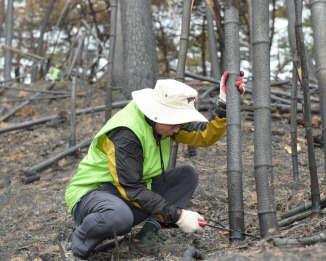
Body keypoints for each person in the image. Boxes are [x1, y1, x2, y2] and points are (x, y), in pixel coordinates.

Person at [64, 71, 245, 260]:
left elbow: (204, 135)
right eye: (175, 125)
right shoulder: (126, 133)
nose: (177, 131)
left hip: (128, 191)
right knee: (118, 217)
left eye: (180, 124)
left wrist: (224, 103)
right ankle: (77, 244)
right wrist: (178, 216)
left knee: (186, 176)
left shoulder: (164, 122)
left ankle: (143, 238)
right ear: (158, 114)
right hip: (92, 194)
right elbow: (131, 188)